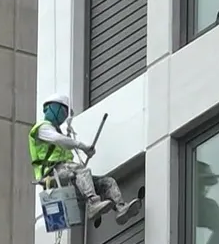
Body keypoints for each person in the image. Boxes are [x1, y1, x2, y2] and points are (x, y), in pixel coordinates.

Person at [29, 94, 140, 224]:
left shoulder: (58, 132)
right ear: (52, 108)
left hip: (66, 173)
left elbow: (63, 143)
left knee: (107, 182)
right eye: (63, 111)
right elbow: (59, 140)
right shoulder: (42, 128)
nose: (64, 116)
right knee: (81, 171)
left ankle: (121, 208)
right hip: (52, 173)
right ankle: (93, 203)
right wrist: (83, 147)